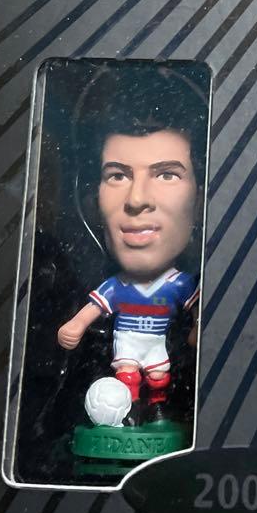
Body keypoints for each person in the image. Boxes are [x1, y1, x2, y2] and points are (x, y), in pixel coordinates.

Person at [57, 67, 205, 426]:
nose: (137, 199)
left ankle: (156, 409)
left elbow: (198, 311)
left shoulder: (180, 284)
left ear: (201, 198)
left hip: (157, 353)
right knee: (129, 379)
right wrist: (75, 326)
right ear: (90, 200)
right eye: (118, 175)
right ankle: (130, 415)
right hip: (125, 349)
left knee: (158, 379)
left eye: (167, 174)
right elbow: (91, 311)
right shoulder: (115, 286)